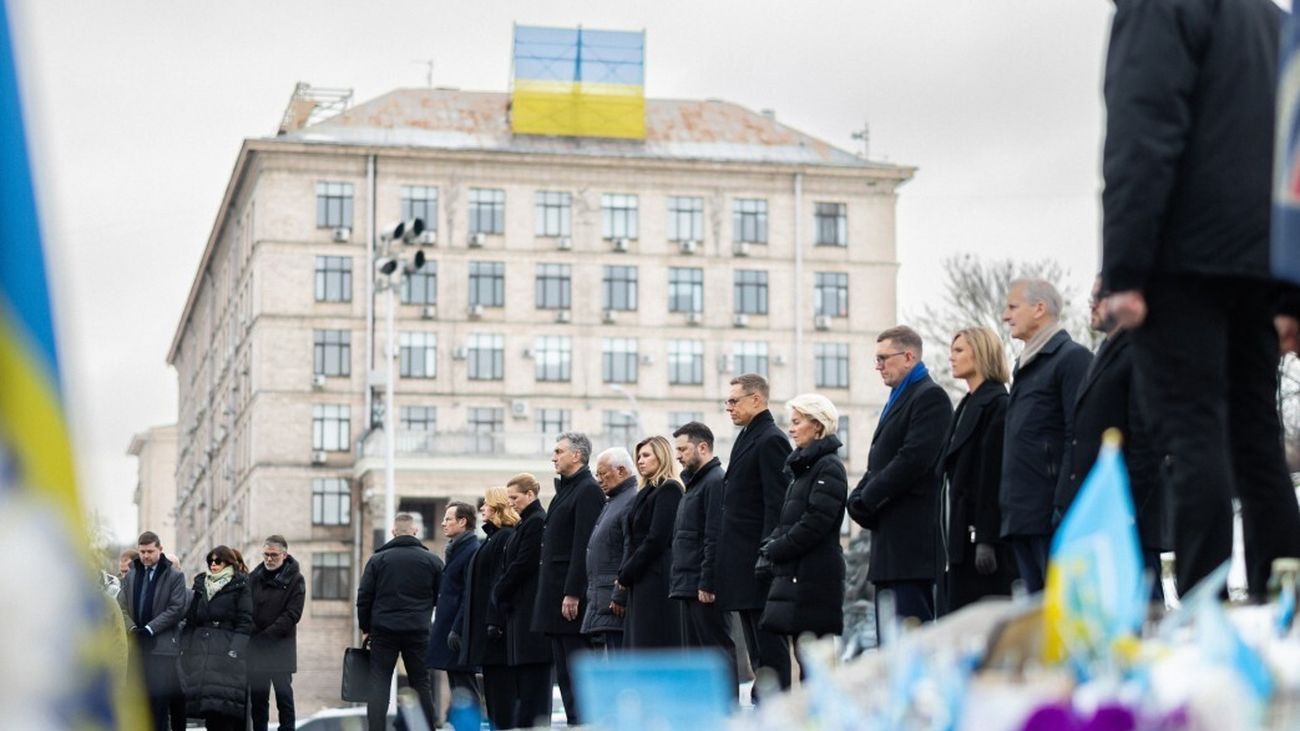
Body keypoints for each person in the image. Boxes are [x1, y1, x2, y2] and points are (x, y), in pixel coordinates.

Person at [1101, 0, 1300, 598]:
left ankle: (1201, 609)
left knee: (1193, 438)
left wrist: (1125, 270)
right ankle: (1284, 601)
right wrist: (1291, 284)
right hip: (1264, 258)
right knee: (1256, 435)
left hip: (1182, 257)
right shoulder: (1270, 19)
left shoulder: (1157, 8)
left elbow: (1142, 130)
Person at [1061, 279, 1168, 597]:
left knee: (1140, 607)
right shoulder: (1106, 353)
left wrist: (1127, 506)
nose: (1092, 304)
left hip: (1126, 513)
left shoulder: (1139, 352)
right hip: (1102, 509)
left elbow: (1146, 439)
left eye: (1100, 297)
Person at [848, 326, 953, 629]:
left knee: (910, 642)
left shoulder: (930, 397)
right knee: (890, 645)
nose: (878, 366)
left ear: (908, 357)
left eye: (883, 358)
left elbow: (912, 459)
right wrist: (856, 497)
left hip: (912, 548)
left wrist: (867, 497)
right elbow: (879, 461)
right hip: (890, 545)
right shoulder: (900, 397)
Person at [999, 279, 1092, 593]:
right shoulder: (1026, 366)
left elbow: (1077, 435)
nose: (1005, 315)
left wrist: (1063, 504)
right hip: (1022, 514)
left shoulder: (1071, 359)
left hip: (1051, 514)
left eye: (1013, 307)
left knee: (1060, 609)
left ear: (1039, 309)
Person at [757, 394, 848, 676]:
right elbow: (791, 520)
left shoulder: (828, 467)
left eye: (797, 422)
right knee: (803, 655)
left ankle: (822, 717)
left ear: (818, 426)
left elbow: (815, 522)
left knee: (815, 662)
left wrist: (777, 548)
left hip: (815, 577)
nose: (791, 429)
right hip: (800, 574)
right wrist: (771, 544)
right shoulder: (804, 469)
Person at [717, 373, 793, 696]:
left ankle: (777, 709)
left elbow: (776, 506)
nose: (729, 407)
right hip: (744, 567)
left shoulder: (771, 439)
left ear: (756, 400)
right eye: (728, 402)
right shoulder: (748, 436)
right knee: (756, 650)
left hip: (759, 566)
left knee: (769, 651)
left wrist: (767, 554)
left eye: (734, 401)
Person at [937, 327, 1015, 615]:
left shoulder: (997, 405)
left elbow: (992, 475)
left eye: (959, 350)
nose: (951, 357)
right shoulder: (967, 405)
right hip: (958, 542)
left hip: (979, 545)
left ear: (980, 353)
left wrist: (986, 538)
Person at [533, 432, 604, 726]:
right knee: (563, 673)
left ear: (577, 455)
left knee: (577, 672)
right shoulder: (566, 490)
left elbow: (582, 545)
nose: (553, 456)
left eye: (559, 451)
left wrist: (573, 592)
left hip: (570, 600)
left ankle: (585, 723)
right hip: (555, 597)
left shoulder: (587, 490)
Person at [356, 513, 444, 731]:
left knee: (379, 686)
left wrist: (366, 628)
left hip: (384, 632)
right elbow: (441, 596)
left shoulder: (377, 560)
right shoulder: (432, 560)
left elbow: (364, 597)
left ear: (394, 532)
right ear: (415, 532)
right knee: (421, 683)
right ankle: (427, 728)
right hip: (418, 630)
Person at [669, 421, 737, 695]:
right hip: (688, 584)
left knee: (715, 652)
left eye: (683, 449)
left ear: (703, 447)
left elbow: (714, 536)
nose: (678, 455)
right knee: (696, 658)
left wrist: (707, 583)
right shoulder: (695, 484)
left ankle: (726, 711)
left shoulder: (714, 481)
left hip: (703, 587)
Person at [493, 474, 553, 729]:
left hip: (530, 610)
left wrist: (500, 589)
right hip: (520, 610)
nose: (511, 504)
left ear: (530, 495)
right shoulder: (524, 523)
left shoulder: (536, 522)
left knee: (534, 684)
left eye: (515, 498)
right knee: (524, 682)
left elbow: (524, 563)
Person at [615, 435, 685, 648]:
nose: (640, 461)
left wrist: (627, 573)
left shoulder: (669, 489)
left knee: (653, 641)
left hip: (657, 577)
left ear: (661, 457)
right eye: (638, 456)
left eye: (646, 455)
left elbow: (657, 538)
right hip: (642, 576)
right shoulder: (647, 491)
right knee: (640, 642)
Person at [458, 488, 519, 730]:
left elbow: (498, 581)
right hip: (487, 629)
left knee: (502, 698)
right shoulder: (492, 538)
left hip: (496, 631)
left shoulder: (504, 537)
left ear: (497, 507)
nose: (482, 508)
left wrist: (494, 620)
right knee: (493, 697)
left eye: (486, 504)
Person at [178, 545, 254, 731]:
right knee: (210, 715)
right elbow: (191, 620)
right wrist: (186, 650)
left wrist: (234, 652)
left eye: (218, 561)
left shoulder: (240, 585)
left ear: (228, 563)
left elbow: (245, 622)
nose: (213, 564)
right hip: (202, 657)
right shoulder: (201, 585)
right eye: (210, 561)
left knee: (227, 715)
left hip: (226, 655)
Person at [119, 531, 188, 731]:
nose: (146, 556)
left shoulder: (174, 576)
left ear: (160, 549)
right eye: (142, 552)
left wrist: (150, 629)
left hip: (161, 651)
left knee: (159, 706)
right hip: (137, 649)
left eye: (150, 551)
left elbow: (176, 609)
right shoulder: (132, 575)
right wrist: (132, 628)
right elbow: (121, 607)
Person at [581, 447, 638, 651]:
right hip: (604, 599)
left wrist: (619, 594)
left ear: (621, 471)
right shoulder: (614, 501)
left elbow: (628, 549)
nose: (599, 480)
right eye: (597, 475)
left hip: (615, 603)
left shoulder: (630, 500)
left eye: (603, 474)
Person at [429, 502, 482, 720]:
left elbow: (468, 595)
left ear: (463, 522)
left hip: (459, 631)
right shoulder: (457, 549)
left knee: (465, 687)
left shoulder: (470, 551)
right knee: (458, 686)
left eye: (448, 519)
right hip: (452, 628)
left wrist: (457, 629)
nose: (443, 523)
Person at [247, 535, 305, 731]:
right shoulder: (253, 578)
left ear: (284, 554)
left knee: (284, 699)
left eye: (273, 555)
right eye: (266, 555)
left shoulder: (296, 579)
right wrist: (256, 634)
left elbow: (292, 614)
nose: (269, 559)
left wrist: (265, 636)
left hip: (281, 649)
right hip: (256, 650)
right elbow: (246, 610)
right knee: (258, 702)